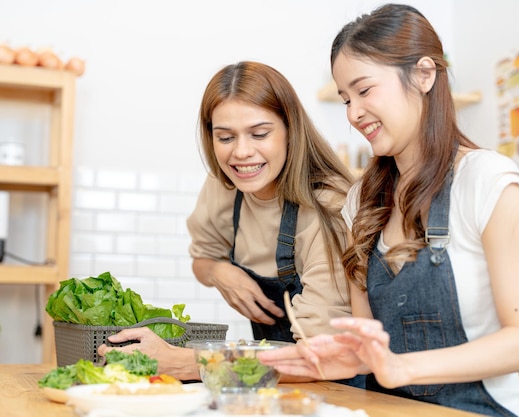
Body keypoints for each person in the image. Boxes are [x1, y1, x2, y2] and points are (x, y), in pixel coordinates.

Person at [258, 4, 519, 417]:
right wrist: (337, 358)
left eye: (364, 90)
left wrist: (401, 368)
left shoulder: (490, 182)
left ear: (424, 74)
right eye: (345, 98)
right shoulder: (361, 201)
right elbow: (368, 345)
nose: (353, 113)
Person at [99, 61, 365, 387]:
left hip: (333, 391)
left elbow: (321, 358)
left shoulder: (328, 208)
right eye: (225, 137)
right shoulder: (225, 186)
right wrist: (219, 272)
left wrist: (188, 363)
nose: (241, 153)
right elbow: (203, 258)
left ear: (290, 131)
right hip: (271, 385)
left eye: (260, 134)